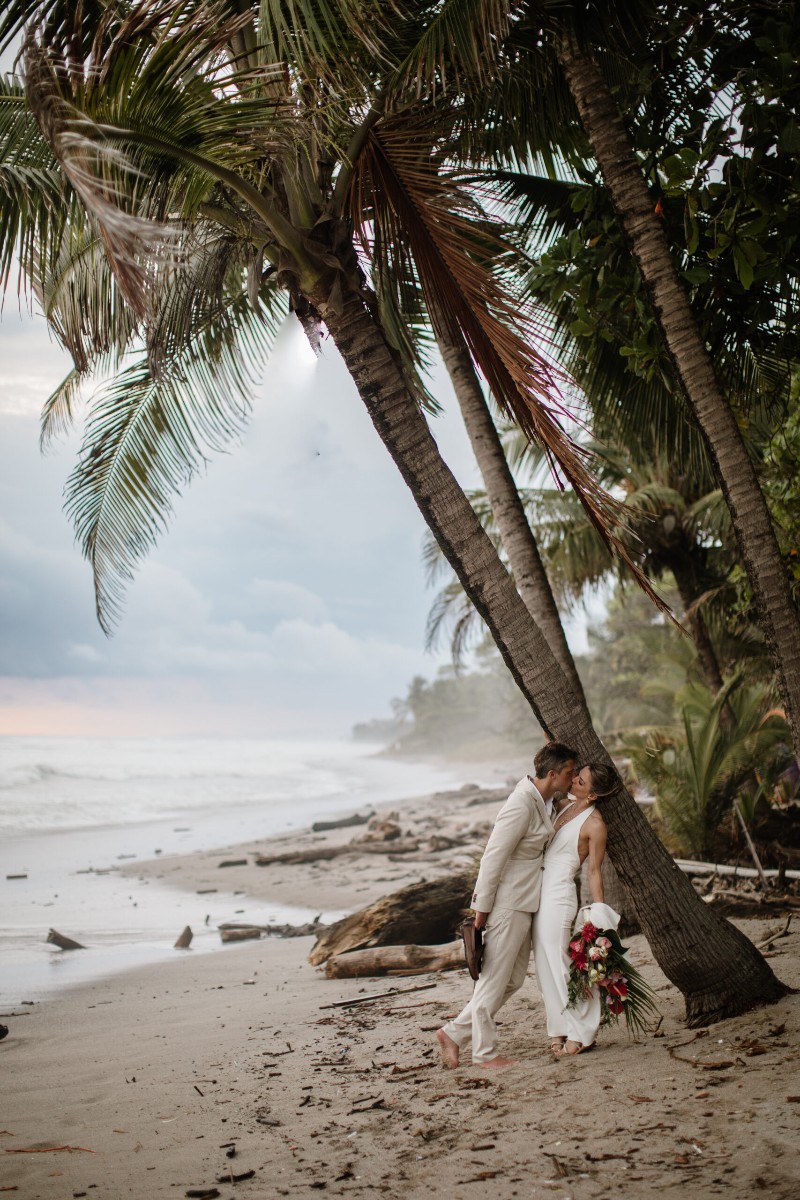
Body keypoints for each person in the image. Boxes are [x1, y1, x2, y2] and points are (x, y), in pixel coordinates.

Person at [436, 742, 577, 1069]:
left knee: (511, 980)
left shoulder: (546, 801)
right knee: (494, 980)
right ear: (553, 774)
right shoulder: (521, 804)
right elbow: (492, 858)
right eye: (569, 773)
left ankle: (453, 1033)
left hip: (526, 901)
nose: (572, 778)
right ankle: (484, 1054)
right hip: (506, 904)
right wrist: (481, 911)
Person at [532, 761, 621, 1058]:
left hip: (559, 895)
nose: (574, 782)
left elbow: (594, 871)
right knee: (545, 965)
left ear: (593, 795)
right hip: (540, 893)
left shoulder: (595, 825)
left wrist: (598, 913)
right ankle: (558, 1027)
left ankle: (583, 1031)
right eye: (576, 777)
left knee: (562, 964)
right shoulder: (565, 805)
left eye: (580, 781)